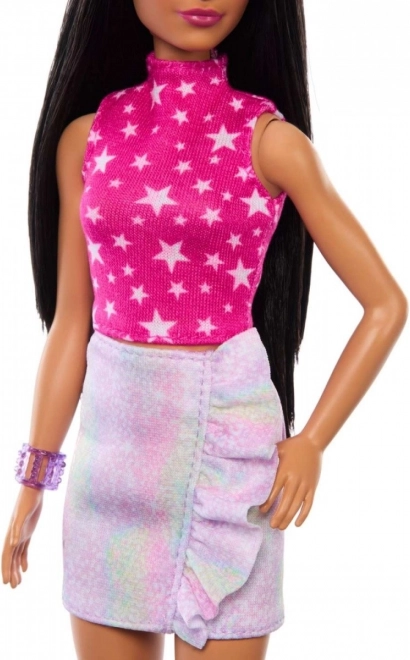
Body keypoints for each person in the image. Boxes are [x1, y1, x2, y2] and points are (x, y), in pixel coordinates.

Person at [2, 1, 408, 659]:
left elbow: (385, 304)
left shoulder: (270, 141)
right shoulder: (88, 138)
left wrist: (312, 442)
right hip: (113, 469)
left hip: (230, 463)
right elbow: (72, 321)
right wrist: (33, 482)